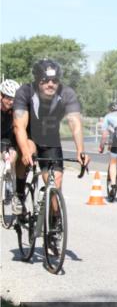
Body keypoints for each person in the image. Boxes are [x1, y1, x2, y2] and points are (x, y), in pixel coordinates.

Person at [11, 59, 88, 213]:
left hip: (50, 139)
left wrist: (80, 150)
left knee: (55, 184)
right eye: (45, 80)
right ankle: (19, 194)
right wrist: (25, 151)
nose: (50, 84)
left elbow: (75, 123)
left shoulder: (67, 94)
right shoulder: (25, 92)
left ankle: (53, 221)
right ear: (37, 80)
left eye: (55, 80)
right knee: (27, 152)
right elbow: (19, 126)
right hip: (29, 135)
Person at [1, 79, 23, 216]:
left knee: (13, 158)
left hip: (9, 137)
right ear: (1, 96)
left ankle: (12, 188)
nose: (11, 101)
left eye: (14, 99)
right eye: (8, 98)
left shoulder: (15, 110)